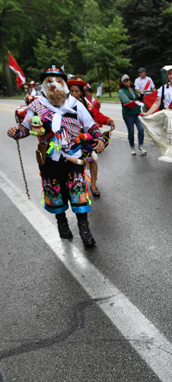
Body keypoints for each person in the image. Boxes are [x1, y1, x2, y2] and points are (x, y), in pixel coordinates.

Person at [7, 66, 105, 247]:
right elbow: (25, 129)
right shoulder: (36, 106)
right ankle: (62, 224)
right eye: (49, 82)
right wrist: (15, 132)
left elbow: (90, 127)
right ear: (44, 86)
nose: (54, 85)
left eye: (58, 82)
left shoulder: (75, 105)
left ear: (64, 85)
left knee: (78, 194)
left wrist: (99, 138)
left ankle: (84, 230)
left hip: (73, 157)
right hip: (49, 160)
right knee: (55, 192)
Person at [68, 78, 115, 198]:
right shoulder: (65, 105)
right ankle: (80, 184)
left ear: (81, 93)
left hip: (87, 136)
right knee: (78, 163)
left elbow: (96, 114)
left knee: (92, 160)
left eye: (76, 91)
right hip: (72, 139)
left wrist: (108, 120)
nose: (74, 94)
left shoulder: (86, 104)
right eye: (71, 91)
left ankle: (93, 185)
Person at [118, 74, 147, 155]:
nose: (128, 81)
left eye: (129, 79)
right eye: (126, 80)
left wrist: (141, 96)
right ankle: (132, 147)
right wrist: (135, 101)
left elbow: (137, 99)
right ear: (123, 82)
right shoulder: (121, 91)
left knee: (141, 129)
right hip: (128, 114)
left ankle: (140, 147)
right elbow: (126, 101)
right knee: (131, 131)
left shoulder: (133, 89)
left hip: (137, 113)